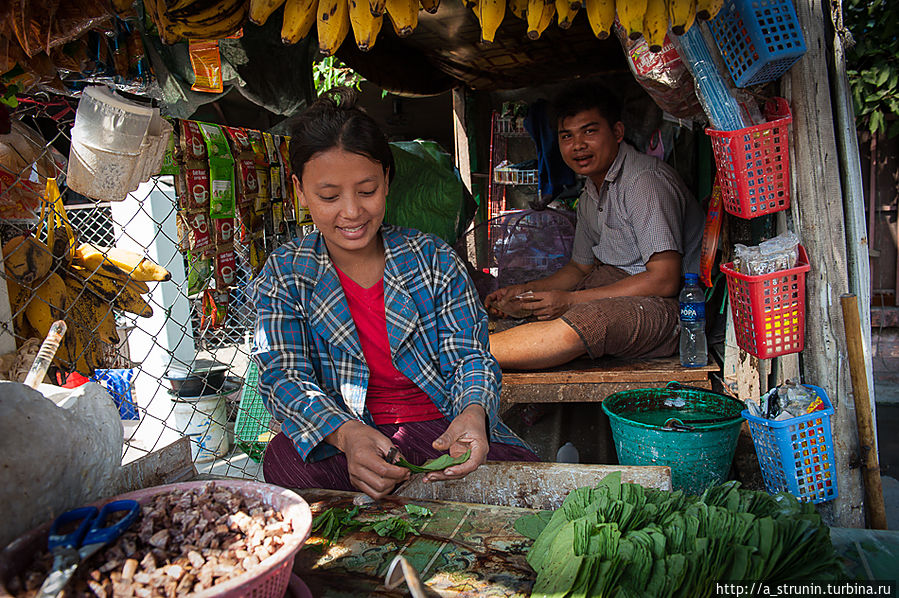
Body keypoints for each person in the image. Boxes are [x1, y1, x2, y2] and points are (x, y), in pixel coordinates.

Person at [252, 88, 537, 500]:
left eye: (366, 191)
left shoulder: (433, 258)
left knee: (523, 485)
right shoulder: (286, 271)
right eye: (329, 197)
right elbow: (284, 377)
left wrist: (473, 414)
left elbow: (470, 358)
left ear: (387, 180)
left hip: (443, 431)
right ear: (299, 190)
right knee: (282, 459)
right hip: (352, 435)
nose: (351, 212)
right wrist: (348, 436)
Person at [486, 82, 704, 370]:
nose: (578, 145)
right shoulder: (591, 191)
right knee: (542, 312)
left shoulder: (643, 181)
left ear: (617, 132)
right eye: (567, 136)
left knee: (588, 321)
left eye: (589, 131)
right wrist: (525, 292)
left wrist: (571, 301)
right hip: (615, 286)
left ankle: (463, 357)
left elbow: (664, 280)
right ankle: (481, 347)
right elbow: (579, 269)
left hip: (669, 307)